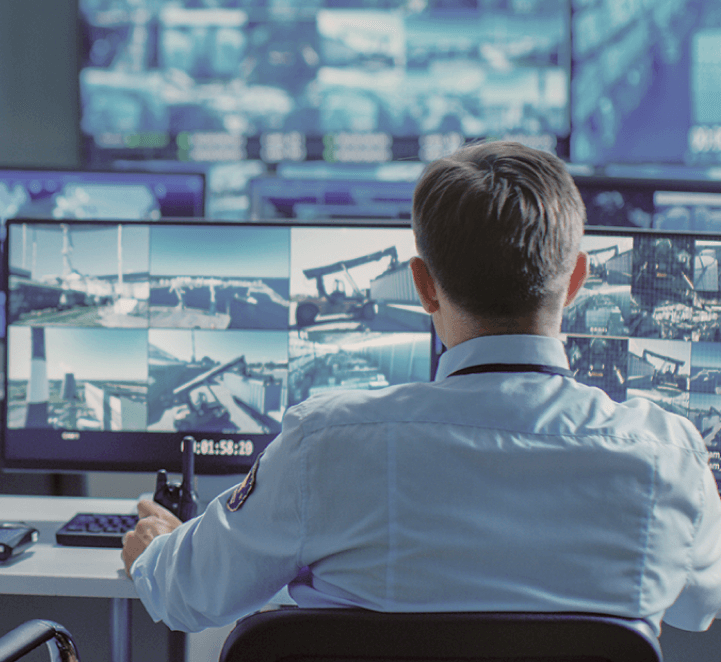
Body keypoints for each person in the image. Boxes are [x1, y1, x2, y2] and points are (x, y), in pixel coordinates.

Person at [121, 141, 721, 637]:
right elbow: (699, 608)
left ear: (424, 287)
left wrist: (158, 548)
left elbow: (187, 597)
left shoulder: (326, 445)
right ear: (576, 283)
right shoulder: (668, 455)